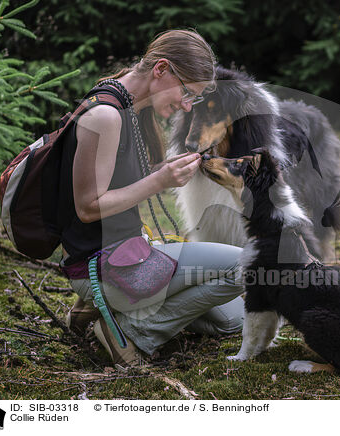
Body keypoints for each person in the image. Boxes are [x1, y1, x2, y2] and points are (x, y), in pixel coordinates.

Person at [59, 29, 244, 366]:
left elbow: (116, 180)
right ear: (161, 69)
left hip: (130, 253)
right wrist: (160, 179)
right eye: (187, 92)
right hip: (104, 267)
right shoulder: (104, 115)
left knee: (234, 319)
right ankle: (131, 333)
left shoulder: (132, 108)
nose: (186, 105)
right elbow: (87, 207)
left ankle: (109, 310)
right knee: (247, 266)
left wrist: (162, 167)